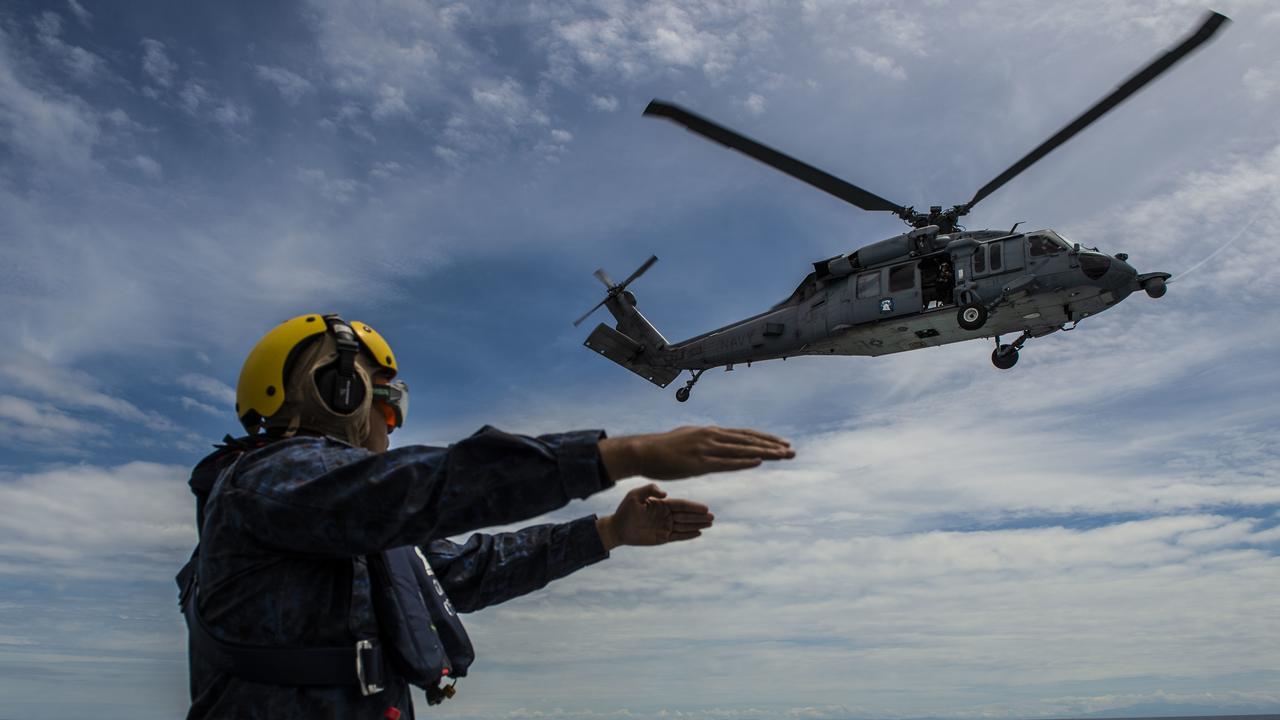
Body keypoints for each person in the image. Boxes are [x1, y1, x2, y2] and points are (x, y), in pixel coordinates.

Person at [177, 314, 794, 719]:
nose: (392, 427)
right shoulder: (269, 482)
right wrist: (615, 455)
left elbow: (465, 569)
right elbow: (425, 487)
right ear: (341, 393)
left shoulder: (341, 512)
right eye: (387, 406)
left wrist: (609, 532)